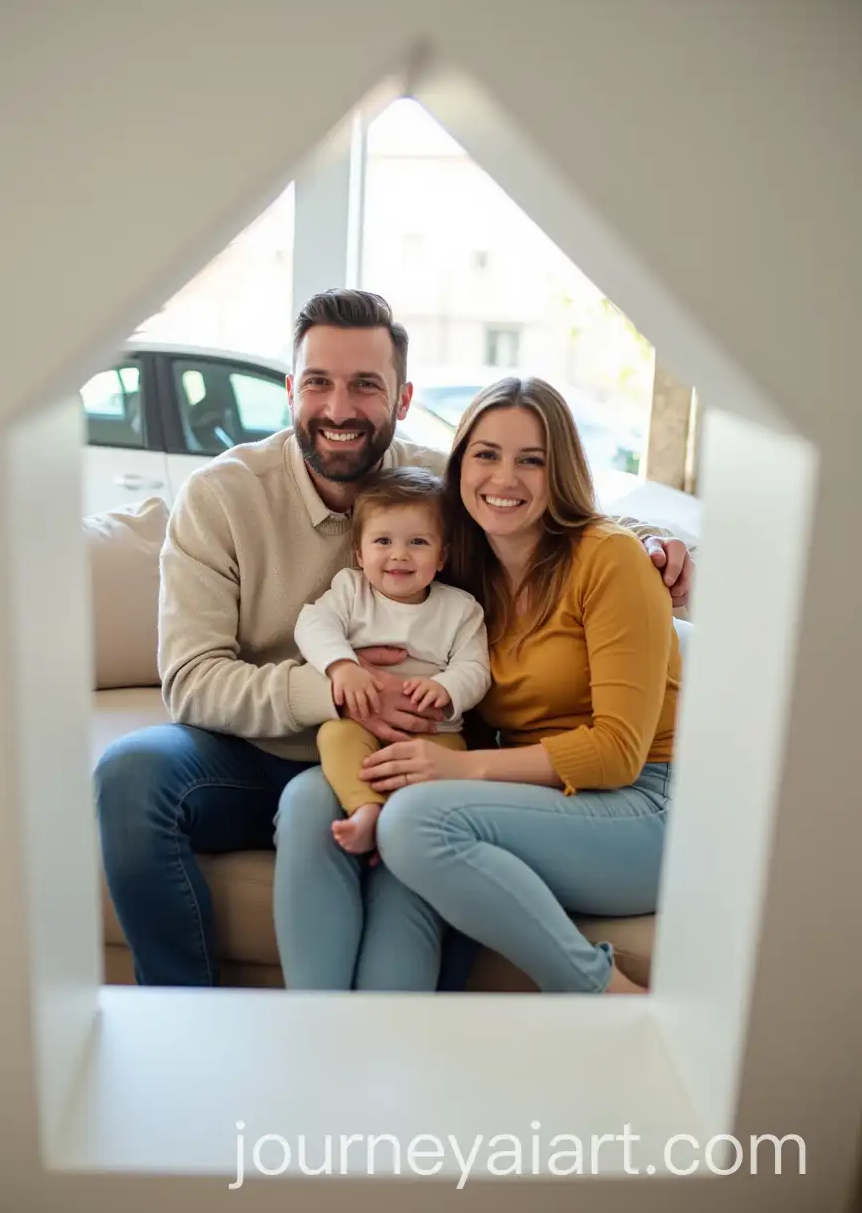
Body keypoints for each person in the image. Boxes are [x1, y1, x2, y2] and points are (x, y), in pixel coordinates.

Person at [94, 287, 693, 989]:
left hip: (415, 748)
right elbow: (192, 681)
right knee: (130, 774)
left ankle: (381, 1032)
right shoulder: (224, 497)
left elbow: (548, 512)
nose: (339, 409)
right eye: (318, 382)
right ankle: (191, 1020)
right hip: (264, 747)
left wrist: (655, 542)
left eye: (365, 386)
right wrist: (339, 693)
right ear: (291, 390)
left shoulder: (440, 487)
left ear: (402, 400)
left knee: (392, 819)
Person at [360, 376, 681, 993]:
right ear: (459, 466)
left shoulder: (609, 560)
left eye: (530, 460)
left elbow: (617, 752)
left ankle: (609, 996)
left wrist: (461, 771)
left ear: (558, 471)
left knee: (413, 824)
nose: (503, 479)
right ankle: (381, 1052)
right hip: (549, 798)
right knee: (398, 857)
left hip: (647, 806)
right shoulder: (465, 576)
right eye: (486, 454)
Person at [293, 466, 491, 855]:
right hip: (358, 720)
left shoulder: (460, 609)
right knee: (334, 738)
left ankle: (403, 829)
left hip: (434, 732)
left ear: (442, 555)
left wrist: (445, 688)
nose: (399, 554)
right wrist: (342, 666)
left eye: (418, 542)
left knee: (445, 770)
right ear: (359, 553)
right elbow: (312, 624)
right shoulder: (351, 590)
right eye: (382, 541)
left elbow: (476, 669)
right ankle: (365, 809)